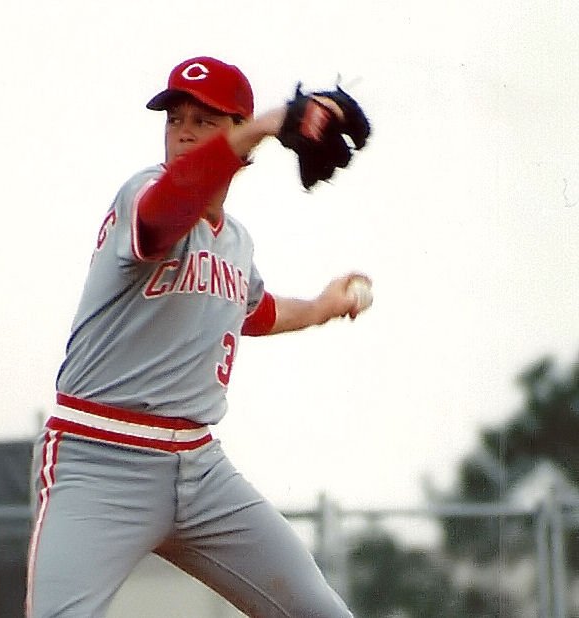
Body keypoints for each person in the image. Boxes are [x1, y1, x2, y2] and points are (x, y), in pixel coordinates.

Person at [26, 56, 368, 618]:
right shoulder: (143, 196)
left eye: (204, 120)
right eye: (175, 119)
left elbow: (253, 311)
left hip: (199, 467)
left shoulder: (235, 241)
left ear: (237, 135)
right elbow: (172, 205)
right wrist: (267, 123)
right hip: (99, 459)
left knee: (319, 610)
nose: (184, 132)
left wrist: (322, 307)